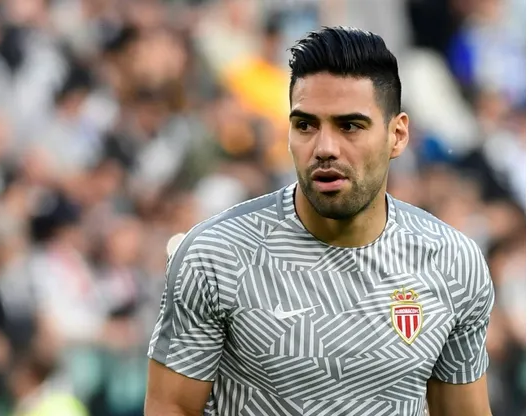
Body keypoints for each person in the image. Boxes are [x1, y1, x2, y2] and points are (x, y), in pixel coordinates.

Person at [144, 26, 494, 416]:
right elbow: (171, 407)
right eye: (306, 125)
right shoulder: (217, 256)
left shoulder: (451, 262)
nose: (324, 148)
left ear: (397, 135)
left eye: (350, 126)